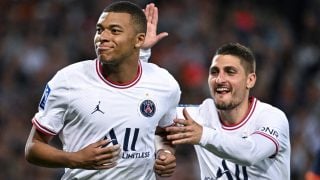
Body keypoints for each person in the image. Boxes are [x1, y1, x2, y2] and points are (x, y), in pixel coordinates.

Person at [24, 1, 180, 180]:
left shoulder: (164, 84)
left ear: (139, 40)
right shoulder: (68, 81)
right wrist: (75, 159)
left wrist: (165, 153)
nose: (102, 37)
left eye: (114, 31)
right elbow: (33, 148)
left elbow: (164, 131)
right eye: (99, 30)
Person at [165, 43, 291, 179]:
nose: (219, 79)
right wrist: (141, 52)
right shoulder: (199, 116)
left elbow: (251, 153)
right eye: (214, 72)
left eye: (230, 72)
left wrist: (204, 135)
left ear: (250, 80)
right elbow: (150, 113)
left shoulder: (272, 117)